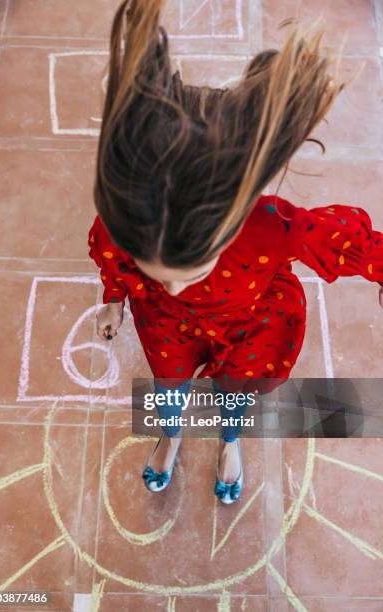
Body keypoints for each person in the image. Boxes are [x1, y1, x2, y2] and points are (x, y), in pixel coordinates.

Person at [88, 0, 383, 504]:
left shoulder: (273, 226)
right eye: (152, 270)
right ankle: (172, 433)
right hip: (167, 325)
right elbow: (110, 257)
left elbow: (353, 240)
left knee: (236, 396)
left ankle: (229, 442)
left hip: (252, 323)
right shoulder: (126, 223)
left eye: (188, 271)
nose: (172, 285)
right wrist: (116, 296)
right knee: (169, 387)